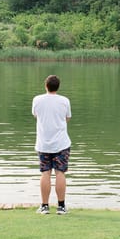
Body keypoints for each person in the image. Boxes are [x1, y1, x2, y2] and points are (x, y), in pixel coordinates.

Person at [32, 75, 71, 215]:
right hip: (61, 143)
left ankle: (44, 206)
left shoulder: (37, 100)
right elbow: (67, 118)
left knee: (45, 173)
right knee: (60, 173)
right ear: (58, 87)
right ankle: (61, 207)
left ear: (46, 86)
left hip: (43, 144)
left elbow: (36, 115)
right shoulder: (64, 101)